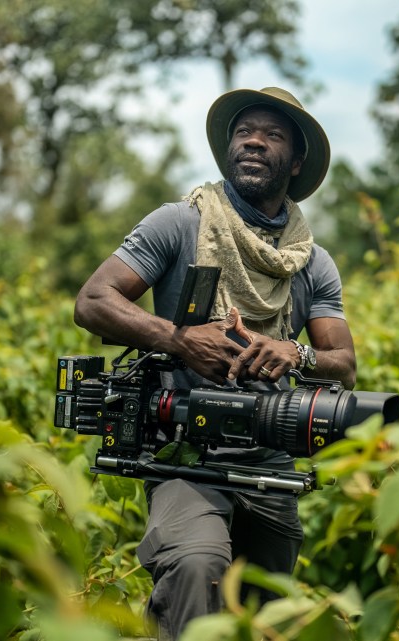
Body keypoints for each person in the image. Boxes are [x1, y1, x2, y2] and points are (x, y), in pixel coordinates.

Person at [73, 86, 357, 640]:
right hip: (184, 453)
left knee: (266, 610)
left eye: (273, 135)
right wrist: (180, 339)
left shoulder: (310, 262)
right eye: (244, 131)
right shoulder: (180, 223)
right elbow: (93, 301)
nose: (253, 141)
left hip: (270, 460)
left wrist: (293, 352)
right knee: (195, 567)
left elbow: (343, 364)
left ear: (296, 162)